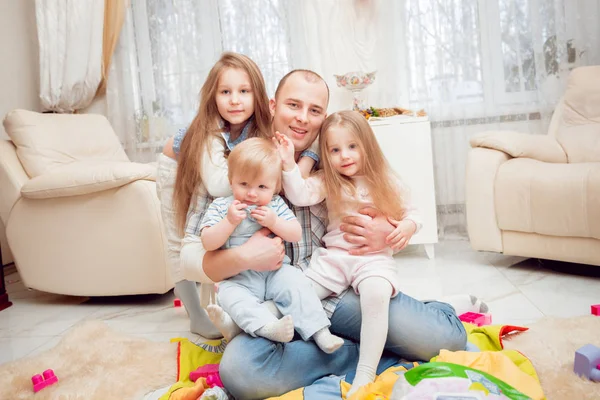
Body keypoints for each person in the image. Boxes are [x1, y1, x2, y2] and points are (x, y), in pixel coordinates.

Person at [181, 69, 483, 400]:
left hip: (334, 294)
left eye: (314, 111)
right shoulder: (238, 160)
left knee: (447, 340)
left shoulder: (333, 156)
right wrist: (244, 256)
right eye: (293, 105)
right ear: (272, 105)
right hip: (273, 306)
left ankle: (402, 323)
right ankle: (364, 352)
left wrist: (388, 231)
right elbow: (192, 256)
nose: (302, 119)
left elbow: (384, 199)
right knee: (241, 372)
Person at [157, 53, 321, 338]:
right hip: (175, 164)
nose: (235, 100)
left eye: (244, 91)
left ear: (258, 96)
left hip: (223, 172)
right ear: (213, 96)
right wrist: (265, 175)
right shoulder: (209, 133)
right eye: (225, 92)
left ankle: (226, 307)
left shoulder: (261, 126)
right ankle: (195, 314)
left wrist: (301, 164)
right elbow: (221, 185)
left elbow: (305, 145)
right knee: (177, 238)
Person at [275, 110, 421, 396]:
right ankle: (252, 319)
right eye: (335, 150)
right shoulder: (328, 181)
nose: (345, 155)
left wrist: (408, 226)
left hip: (373, 260)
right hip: (335, 259)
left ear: (368, 144)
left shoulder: (386, 180)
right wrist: (289, 162)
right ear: (325, 154)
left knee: (376, 295)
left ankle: (365, 373)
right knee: (299, 293)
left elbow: (413, 211)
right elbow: (299, 194)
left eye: (353, 146)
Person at [200, 138, 343, 353]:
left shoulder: (275, 204)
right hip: (240, 279)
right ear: (231, 181)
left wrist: (274, 222)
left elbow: (295, 233)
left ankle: (320, 332)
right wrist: (228, 222)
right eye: (244, 184)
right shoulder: (222, 206)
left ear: (275, 187)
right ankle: (266, 327)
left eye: (262, 187)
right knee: (228, 295)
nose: (252, 193)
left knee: (296, 284)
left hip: (276, 272)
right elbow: (208, 242)